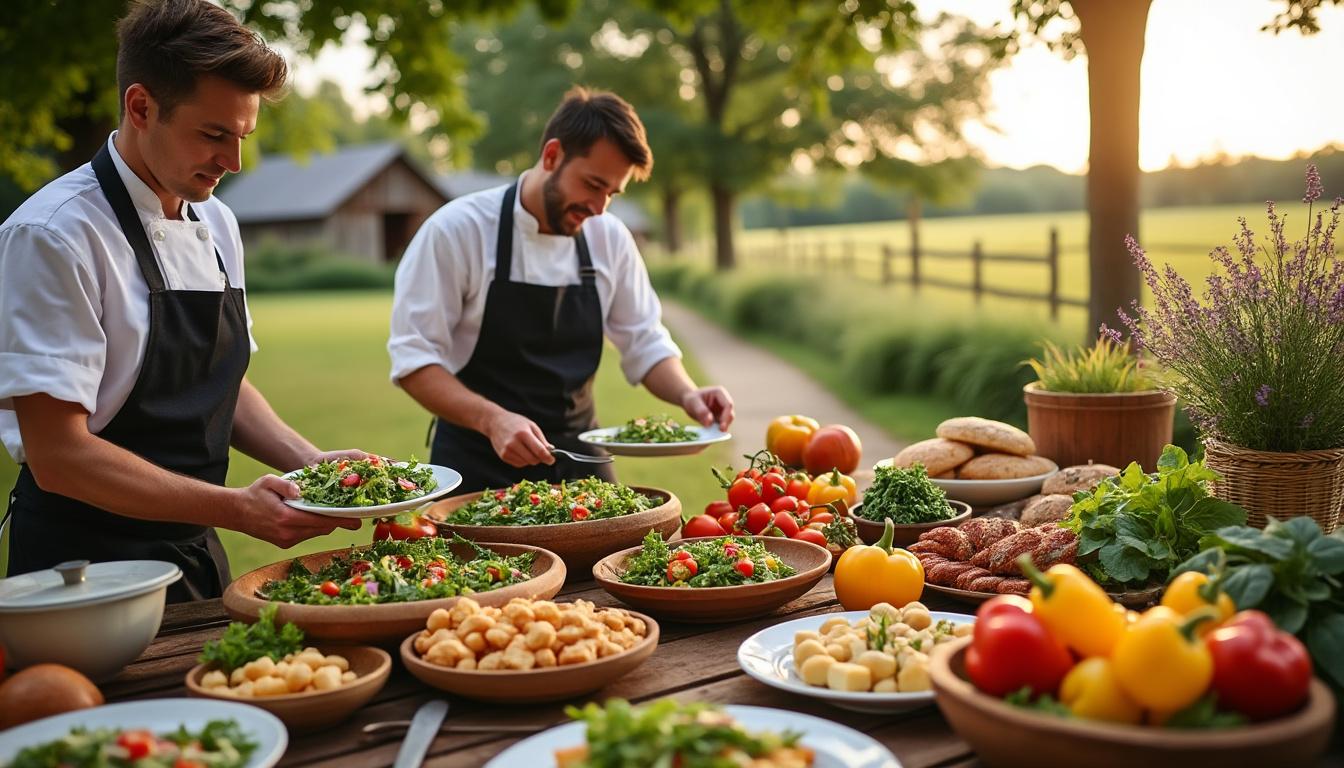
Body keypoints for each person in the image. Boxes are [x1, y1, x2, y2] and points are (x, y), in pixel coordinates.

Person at [0, 0, 366, 602]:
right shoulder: (52, 235)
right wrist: (238, 509)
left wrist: (313, 463)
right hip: (84, 573)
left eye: (243, 136)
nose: (234, 162)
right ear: (141, 106)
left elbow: (218, 382)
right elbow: (58, 454)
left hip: (195, 555)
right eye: (214, 134)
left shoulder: (218, 222)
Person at [389, 87, 734, 493]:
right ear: (552, 156)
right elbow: (414, 360)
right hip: (478, 464)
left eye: (612, 193)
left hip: (581, 460)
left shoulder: (609, 238)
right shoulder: (456, 231)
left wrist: (688, 394)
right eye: (592, 184)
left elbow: (644, 341)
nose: (600, 207)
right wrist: (493, 419)